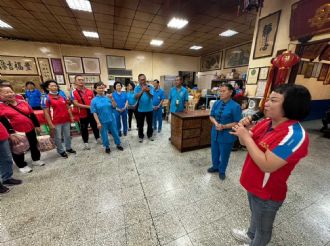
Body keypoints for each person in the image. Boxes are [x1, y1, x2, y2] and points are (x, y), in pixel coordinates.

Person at [230, 84, 311, 246]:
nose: (266, 103)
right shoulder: (267, 122)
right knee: (255, 215)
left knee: (264, 230)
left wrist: (246, 137)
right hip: (253, 184)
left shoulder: (294, 135)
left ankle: (256, 240)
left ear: (290, 106)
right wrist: (244, 131)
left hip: (267, 193)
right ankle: (250, 235)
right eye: (268, 99)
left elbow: (267, 165)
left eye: (273, 100)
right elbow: (245, 143)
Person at [0, 85, 45, 173]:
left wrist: (37, 125)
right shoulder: (1, 106)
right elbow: (3, 121)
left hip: (30, 128)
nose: (9, 94)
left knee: (34, 144)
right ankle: (21, 165)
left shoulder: (22, 102)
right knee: (18, 148)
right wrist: (11, 133)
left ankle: (36, 160)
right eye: (5, 92)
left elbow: (32, 114)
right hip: (16, 132)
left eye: (11, 91)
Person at [207, 83, 242, 180]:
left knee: (224, 154)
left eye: (223, 91)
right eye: (220, 91)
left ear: (230, 92)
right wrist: (215, 123)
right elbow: (211, 116)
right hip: (215, 133)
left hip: (227, 135)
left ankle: (222, 171)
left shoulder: (235, 106)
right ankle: (215, 166)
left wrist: (224, 126)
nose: (221, 93)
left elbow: (237, 122)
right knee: (214, 152)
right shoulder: (217, 103)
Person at [42, 80, 76, 158]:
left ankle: (68, 148)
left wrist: (71, 116)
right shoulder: (46, 98)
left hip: (66, 119)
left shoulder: (62, 96)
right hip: (56, 121)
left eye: (55, 85)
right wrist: (50, 124)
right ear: (47, 88)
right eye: (52, 86)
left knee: (67, 135)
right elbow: (46, 112)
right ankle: (61, 150)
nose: (54, 87)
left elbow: (67, 108)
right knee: (58, 137)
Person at [90, 82, 123, 154]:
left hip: (111, 119)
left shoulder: (108, 97)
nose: (101, 89)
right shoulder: (93, 101)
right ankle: (107, 147)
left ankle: (118, 144)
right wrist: (98, 122)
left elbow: (114, 106)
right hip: (102, 120)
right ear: (95, 89)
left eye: (102, 87)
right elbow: (94, 112)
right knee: (104, 134)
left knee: (115, 132)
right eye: (99, 88)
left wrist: (112, 99)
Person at [71, 75, 101, 150]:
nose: (81, 81)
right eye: (79, 80)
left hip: (92, 112)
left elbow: (94, 101)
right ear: (75, 82)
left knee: (94, 126)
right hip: (82, 114)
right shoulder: (73, 92)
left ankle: (98, 138)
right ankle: (86, 142)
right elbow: (76, 104)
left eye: (82, 80)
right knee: (84, 128)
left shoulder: (89, 91)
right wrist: (89, 107)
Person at [0, 121, 22, 193]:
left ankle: (7, 178)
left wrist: (11, 132)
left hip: (2, 135)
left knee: (7, 158)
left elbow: (3, 119)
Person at [134, 74, 154, 143]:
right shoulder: (137, 88)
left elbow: (152, 97)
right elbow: (136, 97)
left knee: (150, 123)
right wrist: (142, 91)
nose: (143, 81)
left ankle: (149, 135)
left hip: (149, 109)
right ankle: (141, 136)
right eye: (141, 79)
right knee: (140, 124)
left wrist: (148, 91)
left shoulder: (150, 86)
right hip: (140, 109)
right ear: (139, 80)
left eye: (144, 79)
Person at [168, 76, 189, 141]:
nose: (176, 82)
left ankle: (179, 137)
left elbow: (186, 101)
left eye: (178, 80)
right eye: (175, 80)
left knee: (180, 125)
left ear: (181, 81)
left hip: (181, 111)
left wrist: (186, 109)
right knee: (172, 125)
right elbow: (169, 100)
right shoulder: (172, 89)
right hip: (173, 111)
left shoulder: (185, 90)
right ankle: (172, 136)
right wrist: (168, 111)